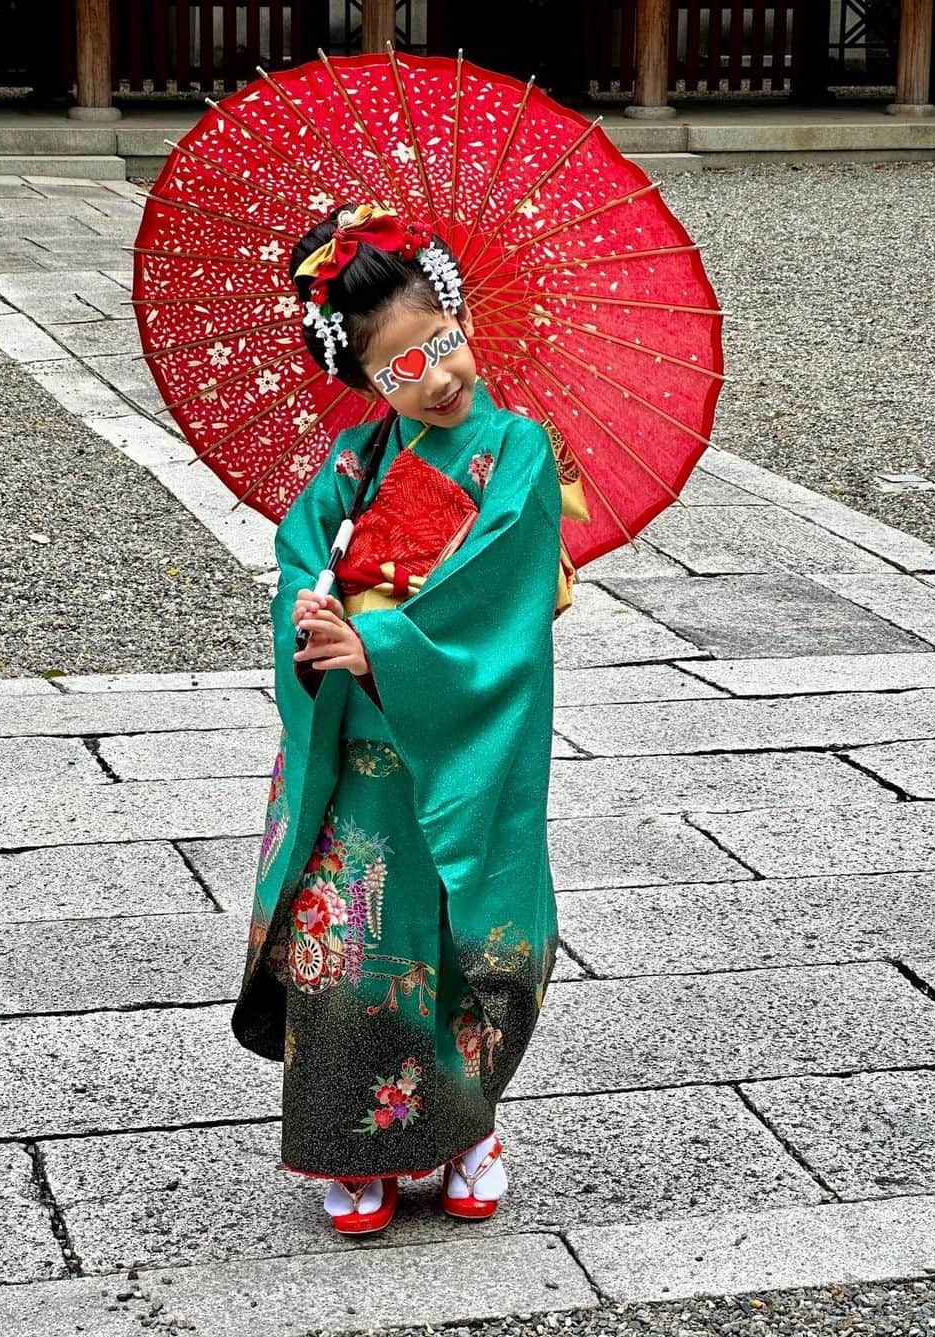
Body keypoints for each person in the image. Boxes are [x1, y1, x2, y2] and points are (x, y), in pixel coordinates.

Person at [230, 202, 570, 1235]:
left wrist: (383, 642)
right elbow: (303, 548)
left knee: (456, 941)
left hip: (458, 747)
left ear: (464, 319)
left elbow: (502, 583)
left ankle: (466, 1129)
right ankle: (354, 1144)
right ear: (368, 385)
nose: (439, 375)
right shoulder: (355, 463)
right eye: (402, 369)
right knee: (349, 944)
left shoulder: (516, 451)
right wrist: (314, 607)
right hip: (361, 758)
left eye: (445, 341)